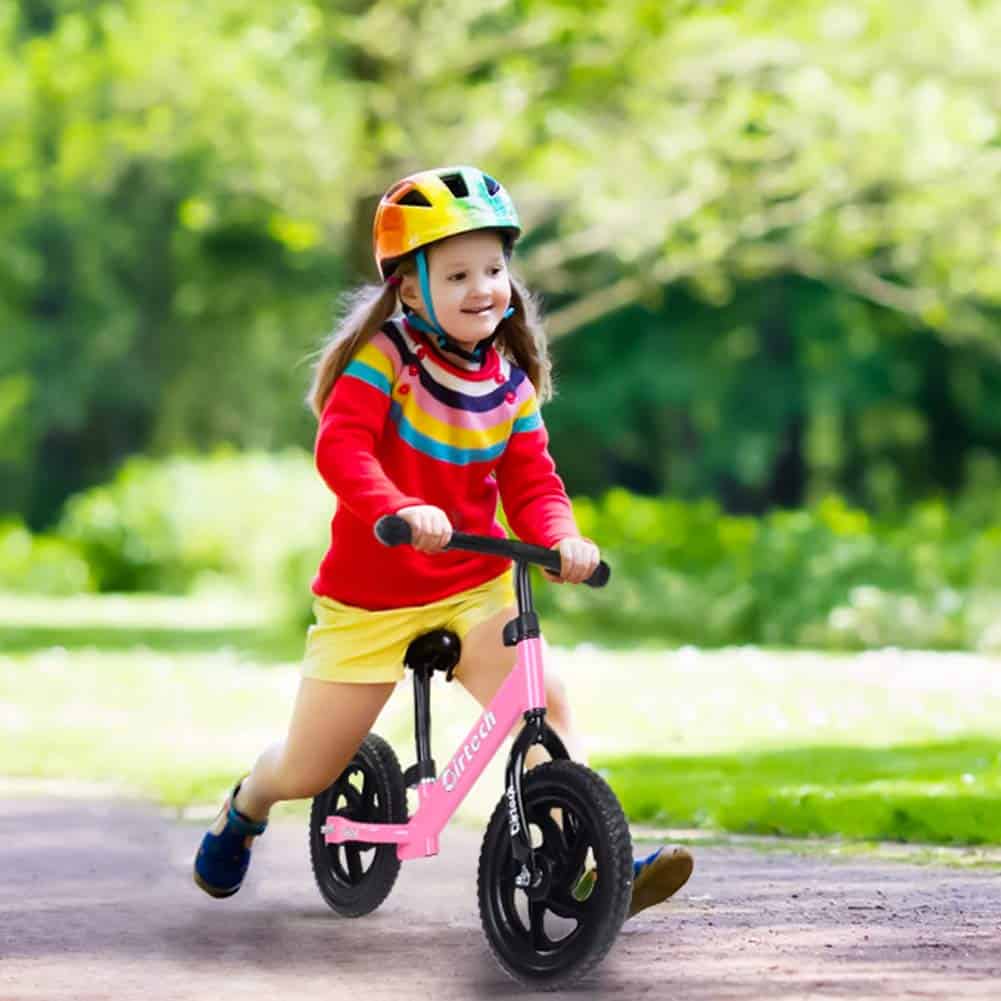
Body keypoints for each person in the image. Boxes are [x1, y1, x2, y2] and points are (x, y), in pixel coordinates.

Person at [193, 165, 693, 917]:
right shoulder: (386, 360)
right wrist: (398, 506)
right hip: (371, 597)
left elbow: (532, 483)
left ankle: (585, 867)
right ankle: (246, 804)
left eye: (492, 268)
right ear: (409, 288)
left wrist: (561, 537)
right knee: (307, 766)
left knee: (544, 706)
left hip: (472, 582)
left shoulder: (509, 383)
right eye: (456, 273)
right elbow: (343, 449)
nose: (481, 287)